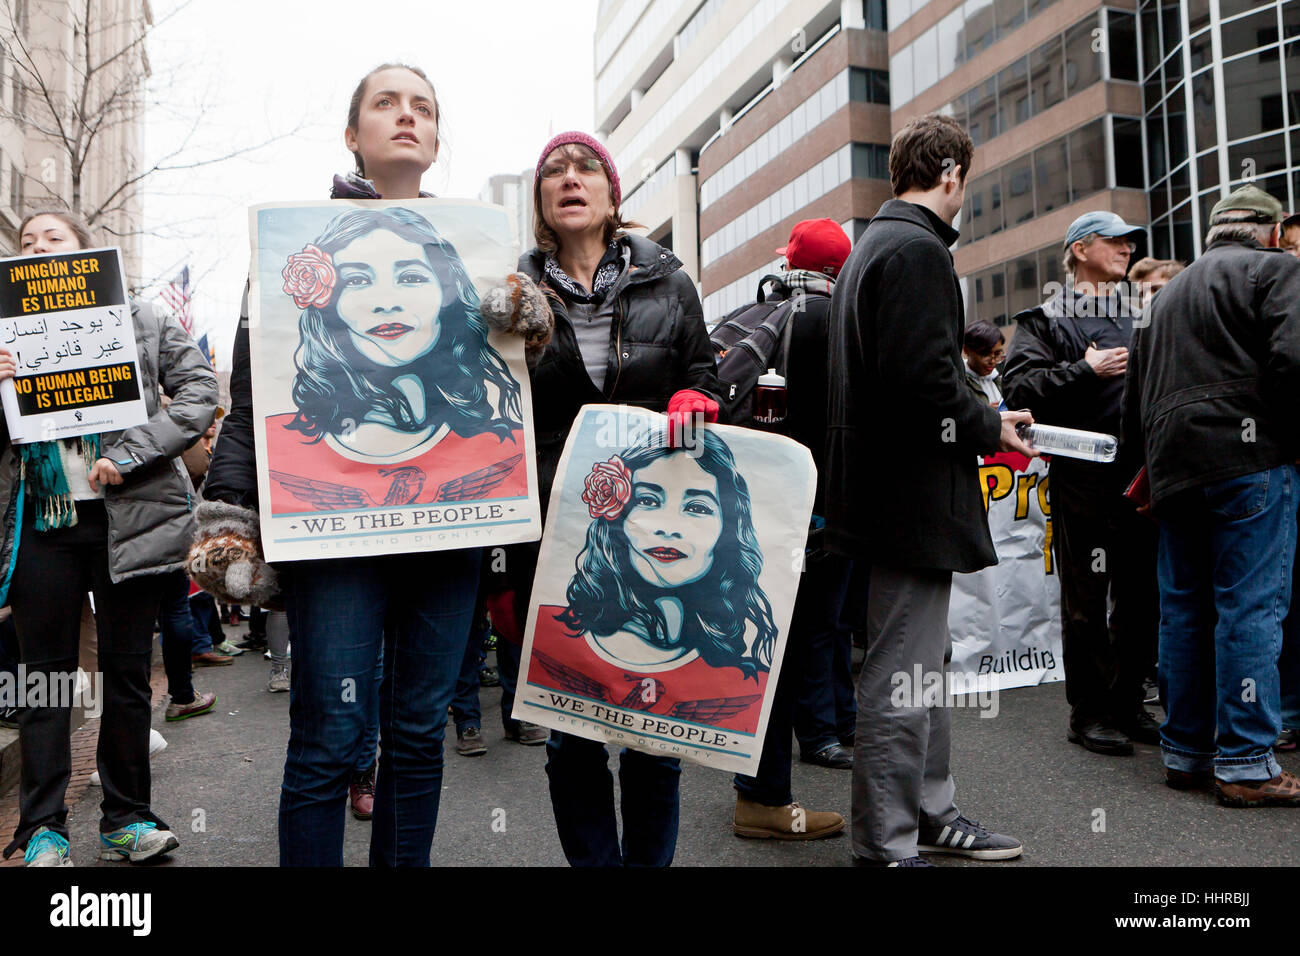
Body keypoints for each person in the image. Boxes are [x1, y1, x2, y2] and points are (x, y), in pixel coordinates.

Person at [202, 63, 549, 867]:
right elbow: (254, 401)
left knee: (419, 732)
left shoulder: (481, 251)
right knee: (330, 733)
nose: (406, 117)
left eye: (422, 108)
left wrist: (534, 324)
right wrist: (227, 516)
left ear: (435, 137)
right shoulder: (289, 246)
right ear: (353, 136)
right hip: (332, 540)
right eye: (385, 104)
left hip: (449, 535)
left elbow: (535, 391)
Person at [497, 130, 724, 868]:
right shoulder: (508, 296)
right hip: (555, 535)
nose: (569, 178)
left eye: (585, 167)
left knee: (654, 731)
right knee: (573, 729)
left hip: (654, 534)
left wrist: (697, 394)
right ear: (540, 199)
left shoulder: (671, 282)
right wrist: (502, 561)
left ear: (611, 192)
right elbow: (489, 417)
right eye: (553, 170)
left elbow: (706, 373)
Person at [825, 113, 1032, 866]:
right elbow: (923, 381)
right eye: (965, 179)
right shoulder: (915, 249)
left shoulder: (873, 248)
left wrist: (980, 413)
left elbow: (908, 376)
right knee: (903, 671)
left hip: (887, 494)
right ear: (950, 174)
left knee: (919, 663)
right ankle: (888, 842)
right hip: (910, 498)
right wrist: (990, 422)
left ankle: (926, 812)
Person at [0, 209, 218, 866]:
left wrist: (135, 452)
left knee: (125, 674)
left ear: (85, 253)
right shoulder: (4, 334)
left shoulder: (143, 318)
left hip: (134, 518)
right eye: (27, 243)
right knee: (45, 682)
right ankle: (42, 829)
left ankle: (126, 819)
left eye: (53, 239)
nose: (38, 248)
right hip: (43, 523)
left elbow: (200, 389)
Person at [1123, 184, 1300, 806]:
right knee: (1250, 607)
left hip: (1174, 468)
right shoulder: (1277, 269)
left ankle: (1188, 753)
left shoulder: (1164, 295)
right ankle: (1247, 763)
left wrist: (1142, 474)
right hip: (1248, 457)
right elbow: (1294, 363)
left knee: (1186, 611)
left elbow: (1134, 398)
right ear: (1271, 231)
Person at [1001, 210, 1161, 757]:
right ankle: (1089, 712)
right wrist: (1085, 372)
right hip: (1084, 479)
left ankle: (1126, 702)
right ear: (1079, 249)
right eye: (1114, 240)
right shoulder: (1044, 320)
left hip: (1142, 475)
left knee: (1142, 593)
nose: (1127, 247)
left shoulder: (1142, 311)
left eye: (1130, 241)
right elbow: (1018, 387)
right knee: (1087, 597)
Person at [718, 218, 851, 842]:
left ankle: (755, 783)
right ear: (839, 272)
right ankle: (764, 798)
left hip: (746, 511)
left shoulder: (752, 315)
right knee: (794, 649)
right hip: (816, 520)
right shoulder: (841, 321)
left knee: (758, 645)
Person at [962, 320, 1006, 408]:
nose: (992, 361)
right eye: (985, 354)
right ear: (967, 350)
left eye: (997, 354)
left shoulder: (1001, 381)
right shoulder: (958, 383)